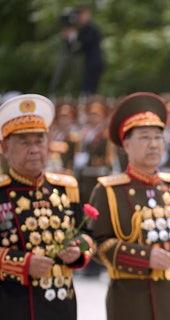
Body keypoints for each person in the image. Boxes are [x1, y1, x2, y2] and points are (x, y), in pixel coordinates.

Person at [89, 92, 170, 320]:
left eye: (158, 137)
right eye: (144, 137)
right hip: (130, 300)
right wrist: (143, 257)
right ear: (126, 143)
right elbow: (96, 244)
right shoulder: (108, 190)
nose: (153, 144)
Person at [0, 94, 93, 319]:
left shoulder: (65, 187)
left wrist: (78, 251)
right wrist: (22, 263)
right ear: (4, 147)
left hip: (59, 302)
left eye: (39, 140)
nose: (34, 149)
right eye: (24, 142)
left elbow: (87, 236)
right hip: (12, 304)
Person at [74, 5, 105, 95]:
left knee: (89, 89)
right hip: (90, 63)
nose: (79, 18)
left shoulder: (91, 28)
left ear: (88, 14)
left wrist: (73, 37)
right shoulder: (84, 29)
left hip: (94, 63)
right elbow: (76, 50)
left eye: (81, 14)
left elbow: (85, 45)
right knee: (87, 88)